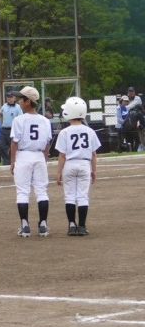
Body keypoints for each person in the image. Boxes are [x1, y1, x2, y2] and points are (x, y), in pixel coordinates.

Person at [9, 86, 52, 238]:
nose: (19, 102)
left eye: (21, 99)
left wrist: (13, 161)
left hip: (23, 155)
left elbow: (14, 142)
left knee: (22, 192)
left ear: (28, 102)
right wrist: (44, 159)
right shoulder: (45, 120)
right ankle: (43, 224)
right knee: (41, 191)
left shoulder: (19, 120)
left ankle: (25, 225)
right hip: (39, 155)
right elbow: (47, 143)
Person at [55, 97, 100, 237]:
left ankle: (71, 225)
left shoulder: (64, 132)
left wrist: (59, 172)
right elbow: (94, 154)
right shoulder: (90, 131)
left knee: (69, 196)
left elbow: (62, 155)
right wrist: (94, 171)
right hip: (84, 164)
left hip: (70, 164)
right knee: (82, 196)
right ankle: (82, 226)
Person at [0, 90, 22, 166]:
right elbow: (0, 114)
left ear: (14, 98)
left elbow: (20, 118)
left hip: (13, 129)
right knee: (1, 145)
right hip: (4, 129)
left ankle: (13, 161)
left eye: (11, 97)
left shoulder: (18, 107)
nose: (9, 98)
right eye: (8, 97)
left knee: (13, 146)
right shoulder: (4, 106)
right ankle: (6, 161)